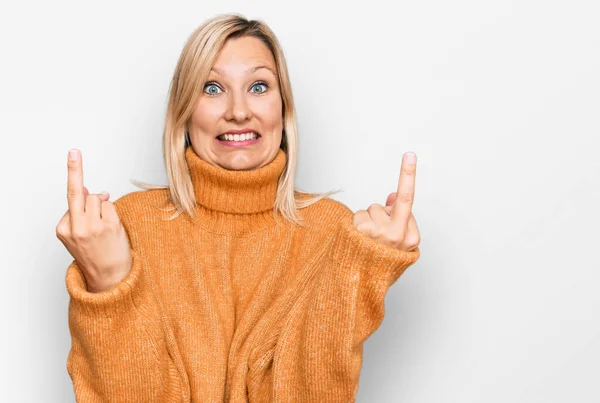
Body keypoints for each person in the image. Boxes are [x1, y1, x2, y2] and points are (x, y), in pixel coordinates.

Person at [56, 13, 421, 402]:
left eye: (259, 86)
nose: (238, 111)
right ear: (183, 111)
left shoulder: (334, 231)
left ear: (284, 108)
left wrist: (358, 270)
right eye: (212, 88)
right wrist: (109, 282)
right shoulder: (125, 227)